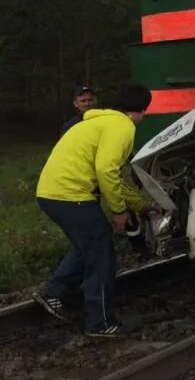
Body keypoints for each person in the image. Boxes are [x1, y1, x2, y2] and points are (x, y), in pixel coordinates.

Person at [32, 83, 153, 337]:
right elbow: (106, 171)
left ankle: (54, 292)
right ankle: (101, 323)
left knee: (88, 243)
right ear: (142, 110)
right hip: (70, 195)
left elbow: (114, 178)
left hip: (50, 193)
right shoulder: (123, 127)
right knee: (101, 253)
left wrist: (140, 204)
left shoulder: (100, 122)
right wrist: (119, 211)